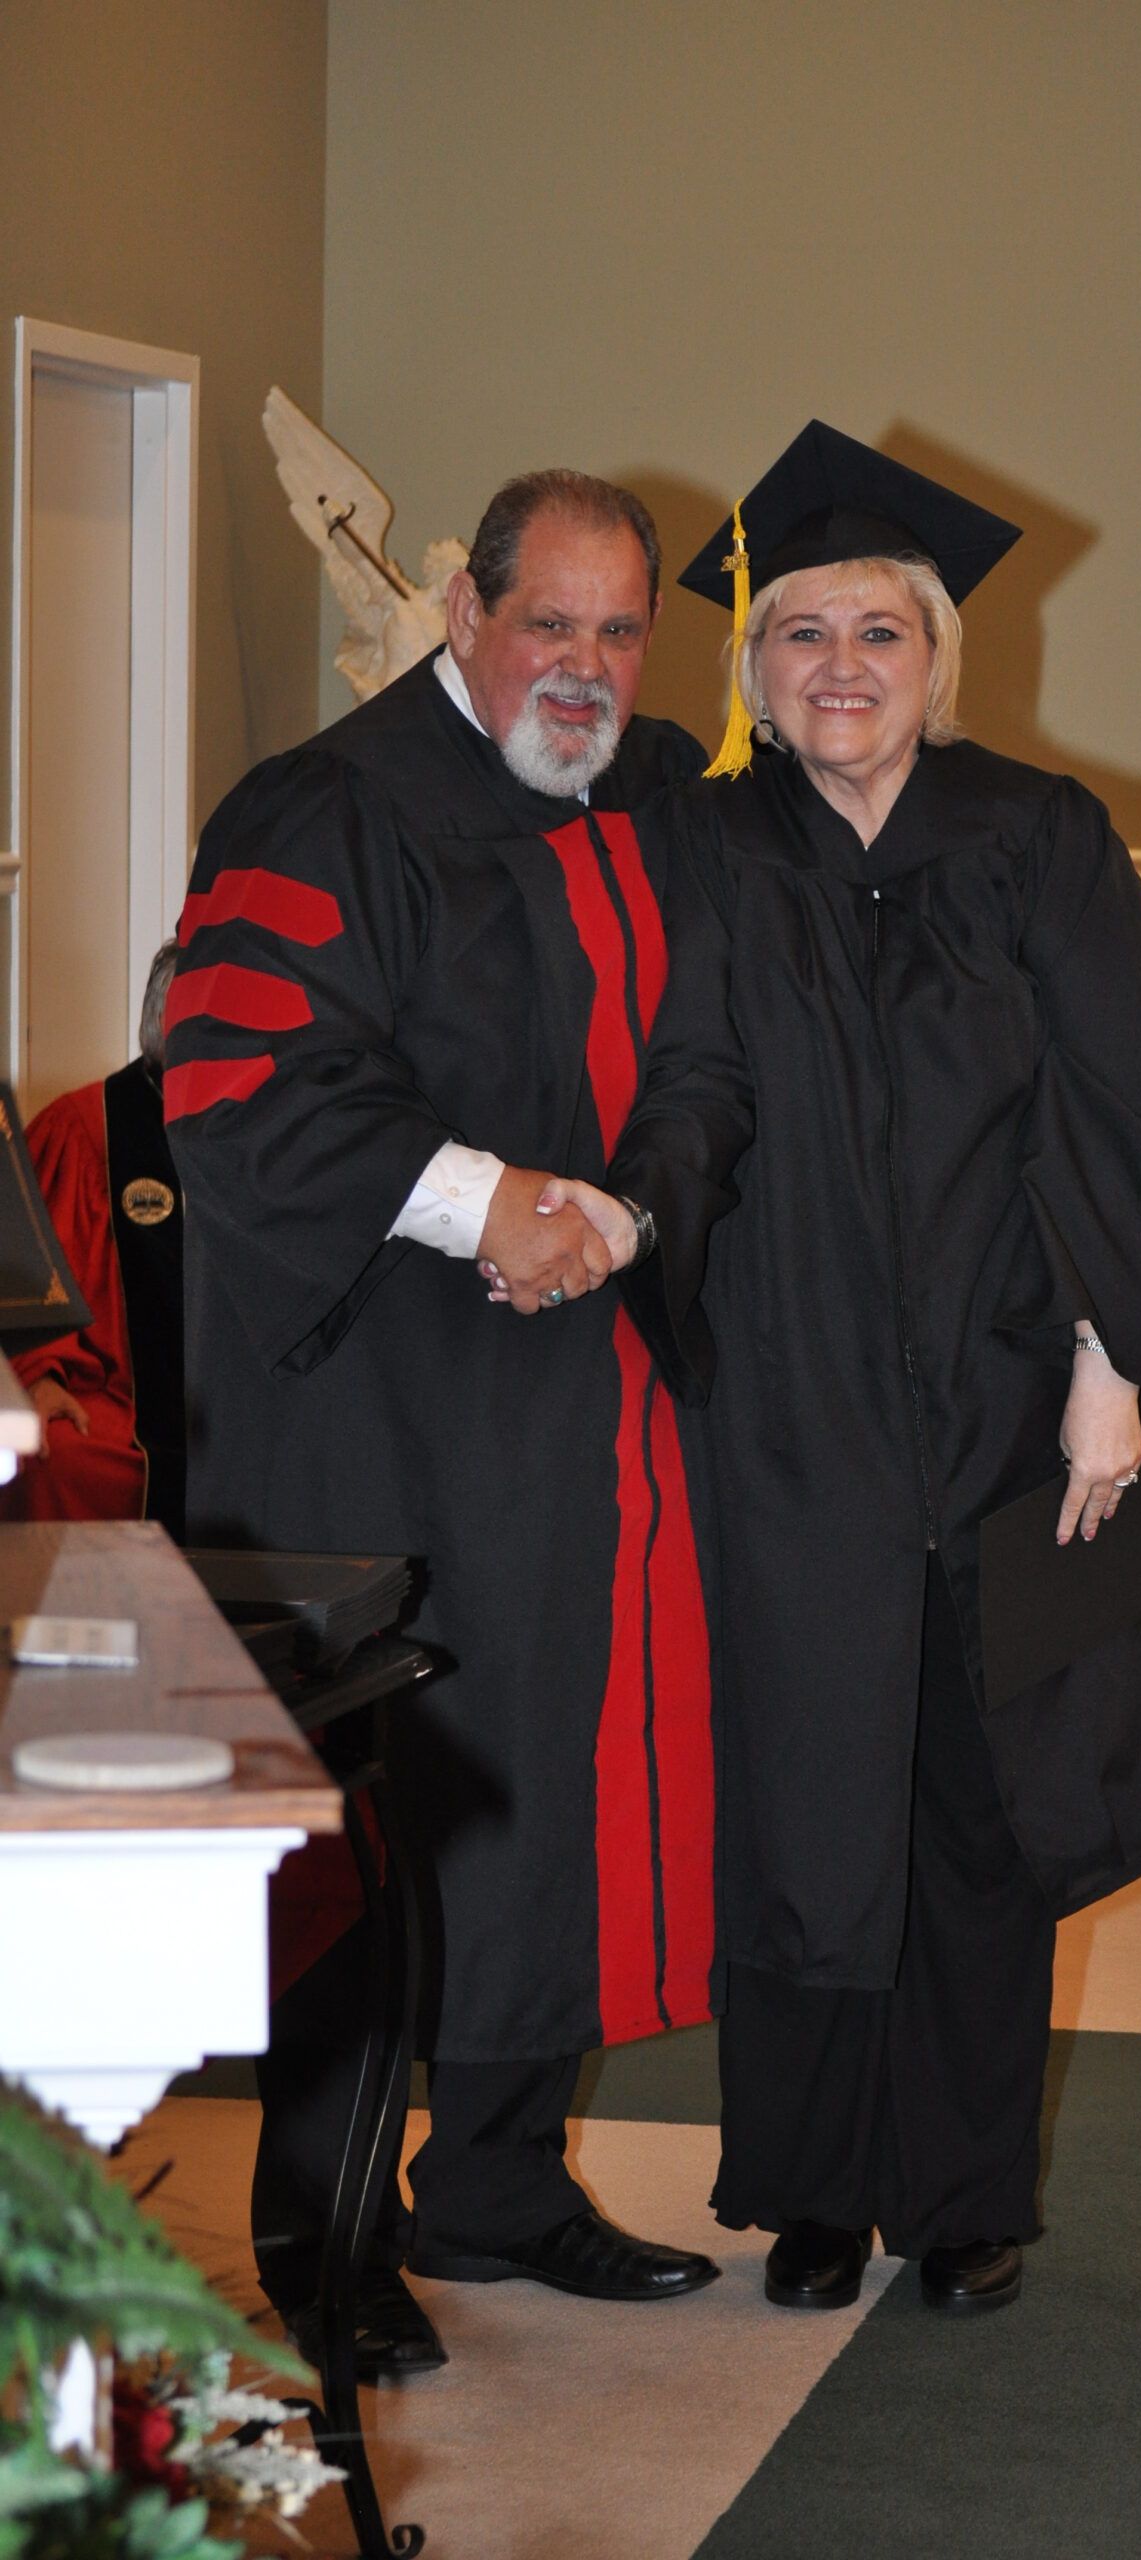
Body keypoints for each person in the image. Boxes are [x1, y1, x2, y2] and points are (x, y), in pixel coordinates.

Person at [498, 423, 1141, 2316]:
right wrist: (634, 1225)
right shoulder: (714, 847)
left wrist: (1110, 1363)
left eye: (877, 634)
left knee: (977, 1799)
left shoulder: (1042, 837)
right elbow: (698, 1086)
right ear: (753, 673)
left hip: (1005, 1393)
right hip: (792, 1395)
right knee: (801, 1791)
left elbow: (1105, 1117)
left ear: (933, 658)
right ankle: (813, 2186)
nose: (838, 665)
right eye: (800, 634)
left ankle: (968, 2193)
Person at [165, 468, 721, 2379]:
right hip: (372, 1408)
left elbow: (713, 1053)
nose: (581, 668)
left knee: (545, 1793)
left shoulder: (653, 800)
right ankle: (322, 2242)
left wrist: (623, 1212)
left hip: (576, 1397)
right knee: (386, 1818)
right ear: (467, 615)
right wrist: (490, 1200)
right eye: (547, 623)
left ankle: (494, 2183)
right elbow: (234, 1081)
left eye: (619, 631)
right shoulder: (326, 809)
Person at [3, 942, 186, 1541]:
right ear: (166, 1024)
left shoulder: (261, 1129)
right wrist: (40, 1375)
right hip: (123, 1398)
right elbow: (32, 1278)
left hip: (249, 1395)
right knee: (62, 1458)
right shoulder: (87, 1130)